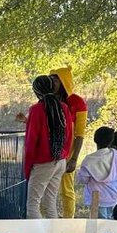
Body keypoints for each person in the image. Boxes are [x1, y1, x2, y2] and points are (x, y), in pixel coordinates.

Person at [23, 74, 74, 219]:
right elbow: (69, 135)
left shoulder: (36, 110)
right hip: (60, 160)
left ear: (37, 91)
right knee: (50, 202)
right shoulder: (63, 107)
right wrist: (64, 154)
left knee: (33, 204)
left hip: (43, 163)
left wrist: (28, 167)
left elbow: (31, 141)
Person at [51, 65, 89, 218]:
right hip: (48, 152)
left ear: (64, 81)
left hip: (68, 152)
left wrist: (74, 158)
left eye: (55, 79)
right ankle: (46, 222)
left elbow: (80, 134)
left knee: (66, 189)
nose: (52, 82)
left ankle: (68, 221)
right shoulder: (48, 100)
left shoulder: (78, 102)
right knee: (46, 188)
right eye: (51, 79)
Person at [75, 126, 117, 219]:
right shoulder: (115, 154)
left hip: (97, 197)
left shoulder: (89, 160)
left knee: (100, 224)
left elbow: (83, 179)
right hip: (114, 194)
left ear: (95, 140)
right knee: (108, 220)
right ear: (111, 141)